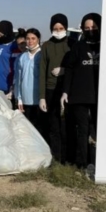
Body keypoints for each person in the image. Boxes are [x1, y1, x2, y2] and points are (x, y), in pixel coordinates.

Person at [61, 13, 102, 169]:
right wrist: (65, 91)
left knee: (100, 130)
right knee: (83, 131)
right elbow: (70, 69)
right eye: (87, 28)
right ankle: (84, 163)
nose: (90, 30)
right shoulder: (78, 46)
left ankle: (102, 162)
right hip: (80, 95)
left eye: (93, 27)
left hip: (101, 96)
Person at [39, 14, 72, 160]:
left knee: (66, 125)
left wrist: (65, 69)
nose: (58, 31)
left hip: (67, 89)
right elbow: (42, 71)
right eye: (55, 28)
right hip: (50, 89)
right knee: (53, 126)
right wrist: (42, 97)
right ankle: (55, 157)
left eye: (61, 28)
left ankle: (68, 157)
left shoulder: (72, 44)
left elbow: (76, 66)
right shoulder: (46, 45)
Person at [15, 28, 43, 132]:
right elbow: (18, 79)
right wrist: (19, 98)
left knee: (39, 128)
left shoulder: (42, 55)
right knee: (27, 128)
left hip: (38, 98)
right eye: (27, 38)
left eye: (33, 38)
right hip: (25, 99)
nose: (30, 41)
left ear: (38, 39)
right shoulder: (22, 57)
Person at [0, 20, 20, 99]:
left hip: (8, 86)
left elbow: (16, 68)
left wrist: (13, 86)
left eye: (0, 35)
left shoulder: (14, 46)